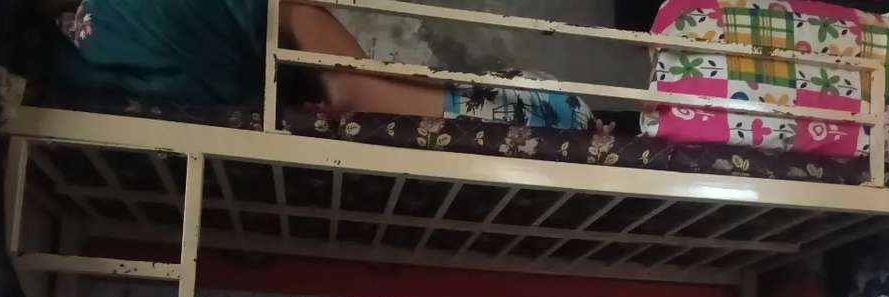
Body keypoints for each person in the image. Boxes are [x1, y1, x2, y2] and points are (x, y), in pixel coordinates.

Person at [44, 0, 591, 129]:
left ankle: (513, 102)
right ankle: (522, 107)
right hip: (242, 52)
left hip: (243, 61)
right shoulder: (110, 25)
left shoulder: (75, 44)